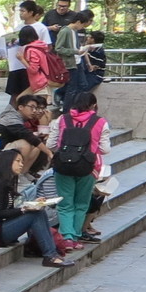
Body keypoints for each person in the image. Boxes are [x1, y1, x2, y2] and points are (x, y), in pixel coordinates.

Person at [0, 142, 69, 268]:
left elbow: (7, 210)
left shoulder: (6, 183)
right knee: (35, 214)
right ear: (7, 162)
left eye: (22, 161)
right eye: (18, 161)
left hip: (1, 227)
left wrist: (33, 204)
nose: (21, 165)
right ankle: (50, 255)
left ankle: (51, 253)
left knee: (39, 211)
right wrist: (24, 209)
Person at [46, 91, 110, 243]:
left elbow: (51, 145)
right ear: (93, 105)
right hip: (89, 167)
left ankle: (66, 237)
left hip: (63, 166)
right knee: (81, 203)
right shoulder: (101, 122)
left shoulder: (62, 119)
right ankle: (75, 236)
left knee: (65, 203)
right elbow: (105, 149)